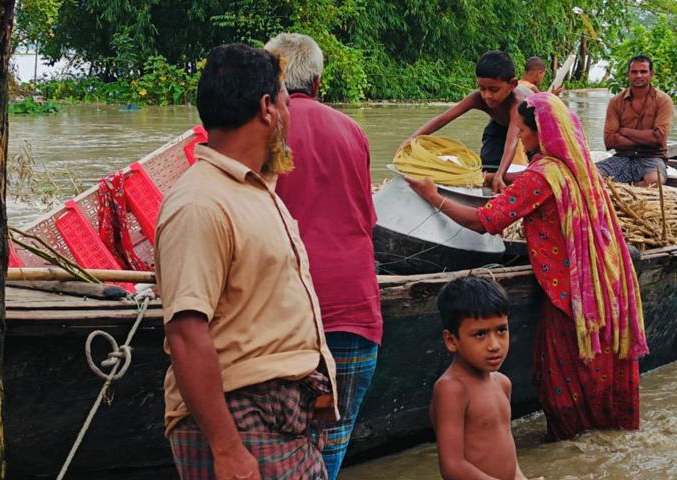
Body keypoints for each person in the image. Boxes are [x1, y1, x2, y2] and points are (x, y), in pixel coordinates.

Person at [408, 92, 648, 441]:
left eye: (522, 131)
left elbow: (484, 221)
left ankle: (571, 446)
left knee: (560, 382)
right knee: (597, 382)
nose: (519, 137)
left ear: (543, 133)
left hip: (566, 298)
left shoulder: (542, 176)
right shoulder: (578, 169)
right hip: (601, 289)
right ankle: (603, 447)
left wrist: (433, 196)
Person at [156, 43, 338, 480]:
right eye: (286, 102)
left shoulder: (253, 190)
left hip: (280, 414)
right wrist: (227, 448)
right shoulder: (200, 203)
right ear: (266, 109)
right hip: (241, 414)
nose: (289, 115)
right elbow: (185, 330)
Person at [265, 32, 382, 480]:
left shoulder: (261, 128)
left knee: (278, 443)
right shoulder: (352, 129)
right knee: (330, 442)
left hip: (285, 311)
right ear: (316, 83)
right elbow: (366, 219)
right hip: (353, 307)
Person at [431, 276, 538, 480]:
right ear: (452, 340)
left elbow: (509, 458)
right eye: (480, 334)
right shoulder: (451, 389)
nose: (494, 345)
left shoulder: (502, 383)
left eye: (501, 330)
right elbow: (452, 467)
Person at [405, 51, 530, 193]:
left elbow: (511, 141)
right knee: (486, 167)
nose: (487, 95)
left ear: (512, 84)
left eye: (493, 89)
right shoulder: (478, 98)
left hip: (532, 130)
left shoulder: (517, 103)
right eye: (482, 88)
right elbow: (442, 119)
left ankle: (498, 177)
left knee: (537, 170)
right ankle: (490, 179)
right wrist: (409, 141)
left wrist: (500, 175)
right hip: (498, 125)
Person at [596, 55, 674, 186]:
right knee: (590, 175)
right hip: (622, 157)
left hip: (652, 158)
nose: (638, 75)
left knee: (655, 181)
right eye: (634, 72)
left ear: (651, 74)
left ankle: (631, 191)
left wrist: (624, 131)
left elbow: (659, 138)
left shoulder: (663, 100)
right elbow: (609, 140)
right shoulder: (616, 102)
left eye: (643, 71)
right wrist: (647, 138)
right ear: (628, 75)